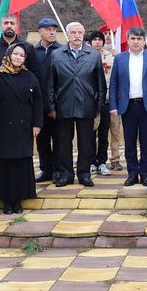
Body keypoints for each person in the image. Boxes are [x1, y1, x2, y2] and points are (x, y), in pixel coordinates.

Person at [0, 43, 43, 213]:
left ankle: (18, 200)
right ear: (9, 55)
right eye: (15, 54)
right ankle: (6, 201)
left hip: (24, 127)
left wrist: (37, 124)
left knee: (20, 163)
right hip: (2, 129)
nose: (18, 57)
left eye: (22, 55)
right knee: (4, 163)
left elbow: (38, 102)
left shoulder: (30, 76)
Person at [48, 21, 104, 187]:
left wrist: (99, 105)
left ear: (84, 33)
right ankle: (66, 174)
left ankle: (84, 173)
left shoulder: (93, 55)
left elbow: (100, 83)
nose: (77, 36)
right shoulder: (57, 55)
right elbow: (50, 82)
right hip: (63, 104)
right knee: (63, 142)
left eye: (80, 32)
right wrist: (51, 105)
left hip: (87, 104)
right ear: (67, 34)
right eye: (73, 33)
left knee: (86, 142)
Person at [110, 27, 147, 186]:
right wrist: (113, 105)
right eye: (133, 39)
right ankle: (132, 174)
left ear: (144, 41)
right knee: (129, 143)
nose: (136, 42)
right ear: (128, 40)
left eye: (139, 39)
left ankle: (145, 173)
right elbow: (114, 83)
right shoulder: (120, 59)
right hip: (127, 107)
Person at [87, 31, 121, 175]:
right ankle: (90, 161)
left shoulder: (111, 57)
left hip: (107, 100)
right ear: (90, 42)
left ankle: (102, 162)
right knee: (89, 134)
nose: (97, 42)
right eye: (94, 39)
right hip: (89, 102)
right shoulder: (85, 56)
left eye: (99, 39)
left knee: (104, 133)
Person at [32, 17, 61, 181]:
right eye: (48, 29)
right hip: (37, 104)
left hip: (56, 104)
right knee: (41, 140)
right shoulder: (32, 52)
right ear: (40, 32)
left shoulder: (61, 50)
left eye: (54, 29)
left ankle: (58, 169)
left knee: (58, 139)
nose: (52, 32)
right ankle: (46, 169)